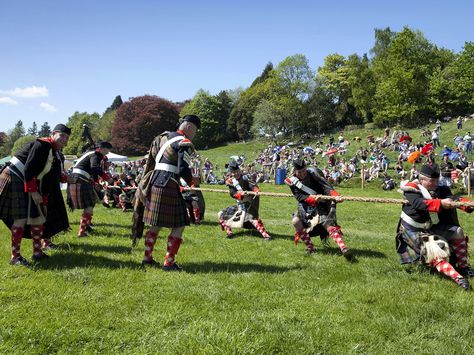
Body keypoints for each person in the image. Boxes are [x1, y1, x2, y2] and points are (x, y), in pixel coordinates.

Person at [134, 115, 201, 271]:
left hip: (155, 181)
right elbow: (182, 167)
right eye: (195, 131)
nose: (194, 134)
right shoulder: (184, 142)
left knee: (155, 224)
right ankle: (169, 263)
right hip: (168, 183)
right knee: (180, 224)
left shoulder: (164, 138)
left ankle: (147, 259)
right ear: (190, 127)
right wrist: (192, 181)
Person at [0, 124, 71, 265]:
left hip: (25, 180)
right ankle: (15, 258)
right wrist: (33, 193)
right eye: (61, 135)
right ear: (53, 133)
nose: (64, 139)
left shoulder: (53, 149)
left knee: (37, 217)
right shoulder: (42, 145)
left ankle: (37, 252)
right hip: (14, 177)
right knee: (19, 218)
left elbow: (45, 173)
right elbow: (29, 169)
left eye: (67, 137)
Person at [396, 164, 473, 290]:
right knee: (434, 250)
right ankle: (458, 278)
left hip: (430, 227)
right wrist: (441, 203)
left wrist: (466, 203)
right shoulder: (411, 188)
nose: (435, 183)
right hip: (412, 230)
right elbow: (419, 204)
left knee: (457, 232)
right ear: (422, 180)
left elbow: (452, 198)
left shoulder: (441, 189)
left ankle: (463, 267)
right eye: (432, 181)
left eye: (437, 180)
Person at [285, 159, 354, 260]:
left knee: (327, 224)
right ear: (295, 171)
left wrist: (335, 196)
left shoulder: (313, 174)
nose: (302, 174)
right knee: (296, 221)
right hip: (305, 208)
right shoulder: (292, 181)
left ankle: (343, 248)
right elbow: (299, 197)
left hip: (320, 205)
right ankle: (310, 247)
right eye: (299, 172)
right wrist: (312, 199)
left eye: (304, 171)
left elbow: (326, 187)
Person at [67, 141, 113, 237]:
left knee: (90, 204)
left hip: (78, 178)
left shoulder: (90, 153)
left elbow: (89, 170)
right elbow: (95, 168)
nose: (107, 153)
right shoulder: (96, 154)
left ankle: (86, 227)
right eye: (107, 150)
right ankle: (81, 232)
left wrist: (94, 182)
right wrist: (107, 178)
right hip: (80, 179)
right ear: (102, 149)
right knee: (89, 206)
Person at [217, 160, 271, 240]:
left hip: (249, 205)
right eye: (233, 172)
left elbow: (253, 186)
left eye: (237, 171)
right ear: (231, 173)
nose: (236, 173)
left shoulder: (246, 177)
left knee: (253, 219)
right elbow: (232, 193)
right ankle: (229, 232)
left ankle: (265, 235)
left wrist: (256, 191)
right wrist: (240, 194)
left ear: (239, 170)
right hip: (239, 206)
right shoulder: (231, 182)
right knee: (221, 214)